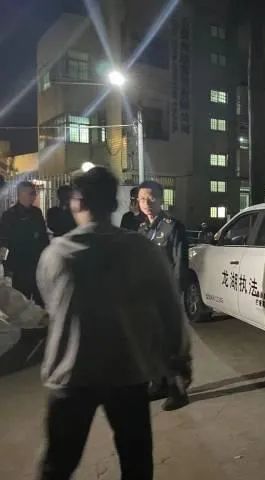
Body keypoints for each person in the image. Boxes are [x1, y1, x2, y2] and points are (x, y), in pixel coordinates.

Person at [36, 166, 191, 480]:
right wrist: (178, 360)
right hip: (127, 372)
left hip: (71, 375)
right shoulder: (141, 249)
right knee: (136, 464)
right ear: (115, 204)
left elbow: (52, 304)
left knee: (57, 466)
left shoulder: (57, 254)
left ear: (77, 202)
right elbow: (169, 309)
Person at [138, 180, 190, 410]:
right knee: (151, 343)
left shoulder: (173, 227)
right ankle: (158, 384)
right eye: (142, 199)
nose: (146, 203)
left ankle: (178, 391)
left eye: (151, 198)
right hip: (147, 297)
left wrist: (176, 296)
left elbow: (180, 264)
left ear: (160, 200)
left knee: (170, 345)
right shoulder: (142, 229)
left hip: (166, 296)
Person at [0, 181, 49, 305]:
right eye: (31, 193)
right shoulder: (9, 215)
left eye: (34, 193)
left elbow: (43, 237)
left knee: (41, 301)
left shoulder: (37, 213)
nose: (34, 196)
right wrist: (7, 266)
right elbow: (4, 242)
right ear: (21, 194)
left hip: (37, 264)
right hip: (19, 266)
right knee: (22, 302)